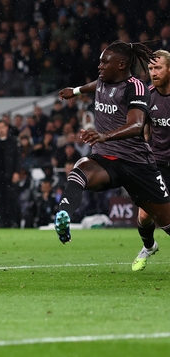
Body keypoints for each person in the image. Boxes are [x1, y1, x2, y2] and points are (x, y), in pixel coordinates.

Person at [56, 41, 170, 261]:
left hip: (139, 164)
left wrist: (104, 135)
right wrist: (76, 91)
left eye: (104, 62)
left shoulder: (136, 87)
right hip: (108, 157)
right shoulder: (103, 81)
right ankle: (64, 214)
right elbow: (95, 86)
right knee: (80, 169)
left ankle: (151, 245)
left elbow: (137, 125)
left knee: (166, 223)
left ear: (121, 65)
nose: (99, 66)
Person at [134, 49, 170, 270]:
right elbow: (144, 130)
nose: (153, 72)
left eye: (158, 68)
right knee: (145, 214)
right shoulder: (147, 96)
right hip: (157, 164)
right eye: (150, 68)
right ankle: (149, 246)